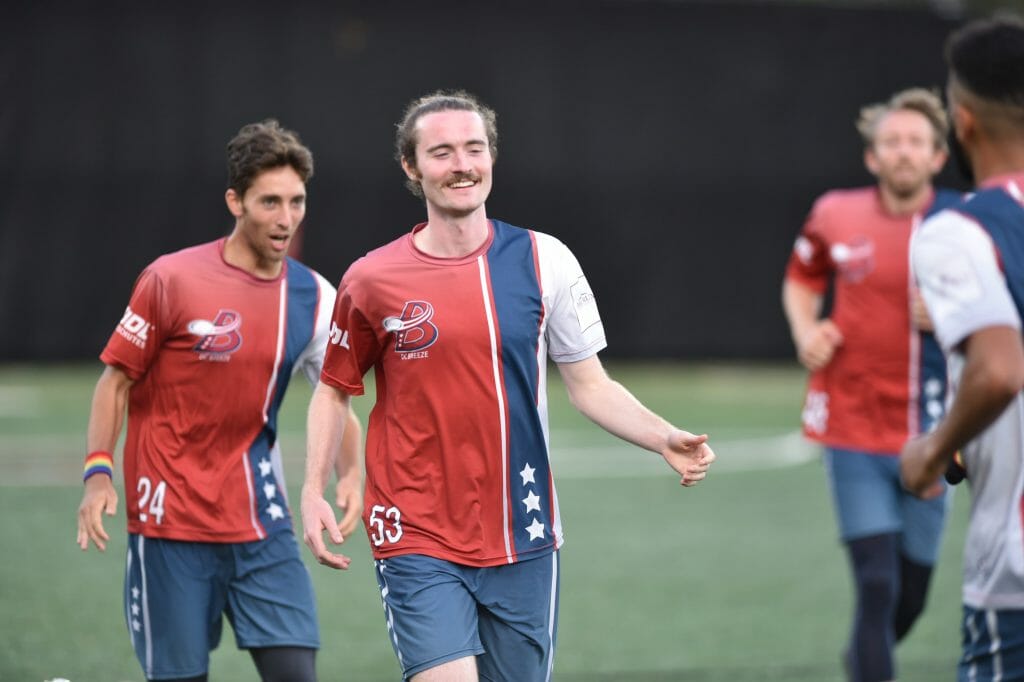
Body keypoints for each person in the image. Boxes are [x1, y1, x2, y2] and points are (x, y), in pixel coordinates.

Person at [300, 90, 715, 682]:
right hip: (415, 531)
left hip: (524, 530)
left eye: (474, 148)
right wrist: (314, 486)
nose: (461, 164)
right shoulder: (371, 279)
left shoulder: (547, 261)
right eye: (441, 153)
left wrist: (662, 436)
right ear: (412, 169)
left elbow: (590, 384)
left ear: (492, 157)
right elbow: (333, 388)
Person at [75, 119, 363, 682]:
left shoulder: (314, 295)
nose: (286, 218)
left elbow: (335, 392)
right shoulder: (170, 279)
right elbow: (115, 380)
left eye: (297, 201)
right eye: (270, 202)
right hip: (170, 526)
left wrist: (351, 473)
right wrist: (98, 473)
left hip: (264, 521)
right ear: (235, 201)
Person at [782, 88, 960, 681]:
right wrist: (807, 330)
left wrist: (952, 313)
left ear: (938, 156)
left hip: (935, 437)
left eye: (916, 142)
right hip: (853, 428)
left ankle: (862, 660)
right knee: (878, 585)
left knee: (909, 598)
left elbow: (1003, 316)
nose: (903, 152)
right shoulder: (834, 212)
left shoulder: (964, 224)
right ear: (872, 157)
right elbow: (801, 279)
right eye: (891, 141)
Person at [901, 15, 1024, 682]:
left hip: (1014, 577)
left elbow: (1000, 372)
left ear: (964, 121)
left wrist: (930, 451)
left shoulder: (960, 230)